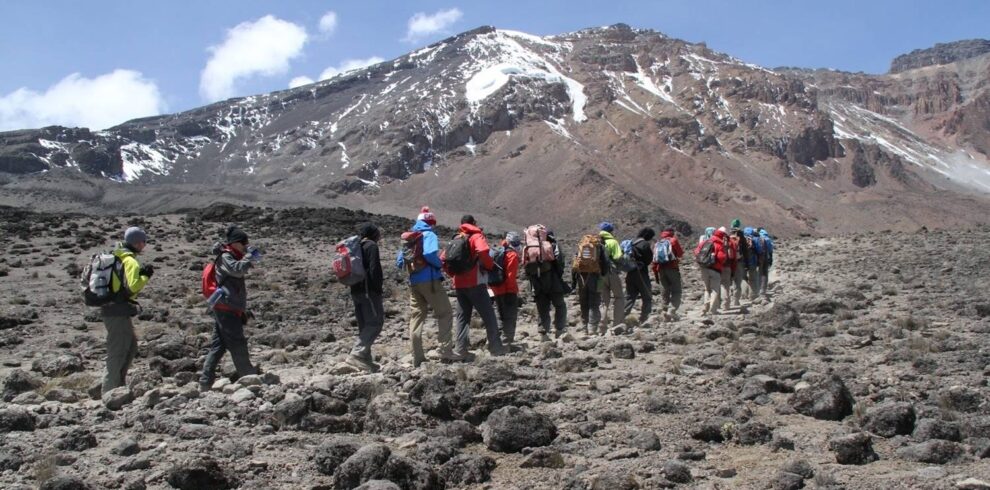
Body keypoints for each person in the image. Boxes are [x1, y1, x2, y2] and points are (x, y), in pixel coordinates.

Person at [200, 226, 262, 390]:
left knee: (219, 346)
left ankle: (205, 382)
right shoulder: (226, 257)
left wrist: (249, 255)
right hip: (226, 306)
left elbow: (250, 263)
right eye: (243, 242)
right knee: (237, 342)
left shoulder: (233, 255)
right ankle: (248, 376)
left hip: (227, 305)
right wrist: (249, 255)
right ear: (235, 243)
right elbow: (237, 270)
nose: (246, 245)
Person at [397, 207, 454, 367]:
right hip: (430, 280)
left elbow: (399, 262)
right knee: (445, 313)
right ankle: (445, 351)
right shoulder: (429, 235)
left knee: (416, 317)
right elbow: (429, 254)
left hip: (414, 281)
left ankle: (417, 356)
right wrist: (439, 264)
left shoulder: (408, 238)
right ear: (431, 222)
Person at [443, 215, 505, 359]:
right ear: (474, 223)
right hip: (476, 283)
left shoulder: (456, 239)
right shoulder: (476, 236)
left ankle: (460, 350)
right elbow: (483, 251)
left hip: (459, 284)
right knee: (489, 316)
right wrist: (489, 266)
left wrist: (453, 275)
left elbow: (443, 259)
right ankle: (496, 348)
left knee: (462, 318)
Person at [101, 226, 153, 395]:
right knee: (119, 349)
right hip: (117, 309)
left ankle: (118, 386)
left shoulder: (117, 255)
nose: (144, 245)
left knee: (130, 346)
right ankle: (110, 392)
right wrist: (145, 276)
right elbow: (133, 286)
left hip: (113, 307)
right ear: (137, 242)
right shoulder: (129, 260)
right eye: (143, 242)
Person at [346, 223, 385, 372]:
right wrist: (378, 288)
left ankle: (366, 360)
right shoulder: (371, 246)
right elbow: (374, 269)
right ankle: (356, 354)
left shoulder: (356, 247)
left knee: (364, 325)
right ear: (373, 234)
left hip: (355, 290)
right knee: (376, 322)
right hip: (369, 291)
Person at [530, 229, 569, 339]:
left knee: (542, 307)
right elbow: (560, 261)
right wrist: (558, 275)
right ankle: (560, 330)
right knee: (560, 305)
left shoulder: (532, 248)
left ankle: (543, 332)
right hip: (553, 281)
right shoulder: (553, 245)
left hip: (537, 282)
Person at [572, 232, 607, 335]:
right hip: (596, 277)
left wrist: (573, 283)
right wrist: (603, 274)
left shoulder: (580, 246)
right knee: (594, 303)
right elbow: (606, 262)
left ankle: (584, 328)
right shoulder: (599, 246)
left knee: (583, 303)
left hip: (581, 277)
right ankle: (592, 328)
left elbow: (574, 265)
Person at [490, 232, 521, 347]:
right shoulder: (511, 255)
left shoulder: (497, 252)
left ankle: (496, 339)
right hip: (508, 290)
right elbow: (510, 277)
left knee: (499, 314)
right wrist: (512, 291)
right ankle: (507, 340)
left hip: (495, 288)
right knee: (510, 315)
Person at [623, 227, 655, 325]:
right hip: (641, 273)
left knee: (629, 296)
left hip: (630, 273)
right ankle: (644, 318)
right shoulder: (645, 244)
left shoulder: (632, 242)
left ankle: (621, 317)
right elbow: (649, 260)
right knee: (647, 296)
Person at [652, 228, 684, 320]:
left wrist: (656, 274)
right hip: (672, 268)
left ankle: (664, 311)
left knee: (665, 290)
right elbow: (680, 253)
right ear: (672, 233)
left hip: (661, 269)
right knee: (676, 290)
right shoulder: (673, 240)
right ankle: (672, 310)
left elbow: (654, 261)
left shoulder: (658, 243)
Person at [695, 227, 728, 316]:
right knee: (714, 290)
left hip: (704, 268)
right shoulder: (719, 244)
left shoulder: (705, 242)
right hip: (715, 269)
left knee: (707, 289)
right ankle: (713, 310)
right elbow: (722, 258)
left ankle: (705, 308)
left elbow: (696, 252)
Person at [598, 222, 625, 327]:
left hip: (599, 275)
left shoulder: (596, 242)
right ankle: (617, 324)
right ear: (611, 231)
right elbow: (618, 257)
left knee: (603, 301)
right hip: (611, 272)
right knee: (619, 297)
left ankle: (602, 325)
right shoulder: (613, 242)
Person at [729, 219, 752, 307]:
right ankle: (736, 300)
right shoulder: (741, 235)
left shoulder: (728, 234)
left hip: (729, 262)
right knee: (738, 281)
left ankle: (726, 301)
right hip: (739, 261)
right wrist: (747, 263)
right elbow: (745, 251)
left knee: (727, 281)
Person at [743, 227, 762, 300]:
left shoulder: (741, 239)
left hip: (742, 262)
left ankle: (743, 295)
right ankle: (752, 296)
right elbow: (759, 250)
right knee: (752, 279)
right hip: (752, 261)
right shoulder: (754, 239)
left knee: (743, 278)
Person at [757, 228, 775, 296]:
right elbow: (770, 250)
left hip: (759, 259)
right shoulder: (768, 239)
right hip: (766, 258)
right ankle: (763, 290)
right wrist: (771, 259)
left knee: (759, 273)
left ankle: (758, 289)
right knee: (765, 274)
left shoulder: (757, 238)